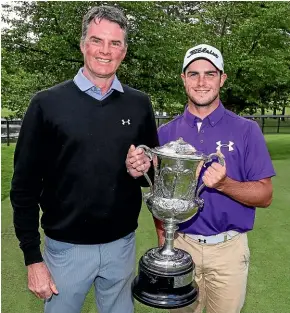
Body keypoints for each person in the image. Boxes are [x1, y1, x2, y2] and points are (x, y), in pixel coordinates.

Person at [10, 5, 158, 313]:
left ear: (124, 50)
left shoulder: (139, 104)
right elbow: (23, 189)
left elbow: (154, 175)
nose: (105, 50)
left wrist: (144, 165)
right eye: (97, 40)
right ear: (82, 44)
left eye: (115, 43)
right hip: (66, 252)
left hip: (122, 246)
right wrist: (32, 259)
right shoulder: (46, 105)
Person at [126, 44, 275, 313]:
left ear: (222, 78)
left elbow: (265, 196)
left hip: (229, 251)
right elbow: (162, 195)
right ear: (183, 79)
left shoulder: (246, 130)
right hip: (181, 245)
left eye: (210, 73)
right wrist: (164, 241)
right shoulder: (166, 133)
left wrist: (225, 184)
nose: (202, 82)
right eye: (193, 74)